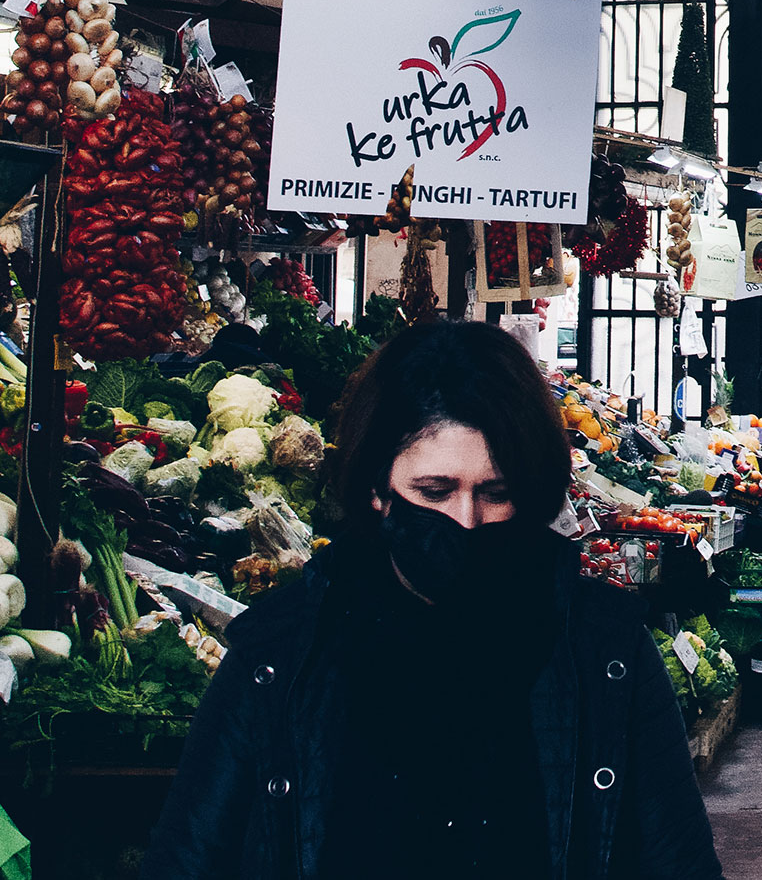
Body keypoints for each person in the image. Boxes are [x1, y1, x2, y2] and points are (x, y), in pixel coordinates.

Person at [141, 321, 725, 880]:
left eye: (497, 494)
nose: (466, 521)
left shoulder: (605, 651)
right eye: (435, 491)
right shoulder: (280, 654)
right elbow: (188, 859)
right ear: (376, 489)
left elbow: (679, 862)